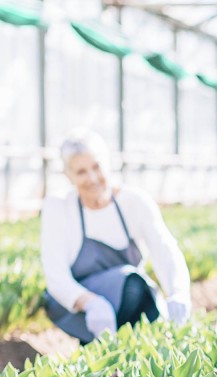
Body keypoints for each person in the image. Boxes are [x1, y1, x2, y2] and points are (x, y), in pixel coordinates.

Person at [40, 129, 191, 344]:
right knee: (128, 282)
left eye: (96, 166)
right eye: (81, 172)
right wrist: (90, 303)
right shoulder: (58, 207)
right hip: (76, 309)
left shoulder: (135, 202)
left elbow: (165, 249)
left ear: (108, 163)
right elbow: (55, 276)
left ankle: (127, 347)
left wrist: (177, 292)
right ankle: (95, 346)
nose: (92, 178)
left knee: (133, 284)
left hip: (129, 300)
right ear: (68, 175)